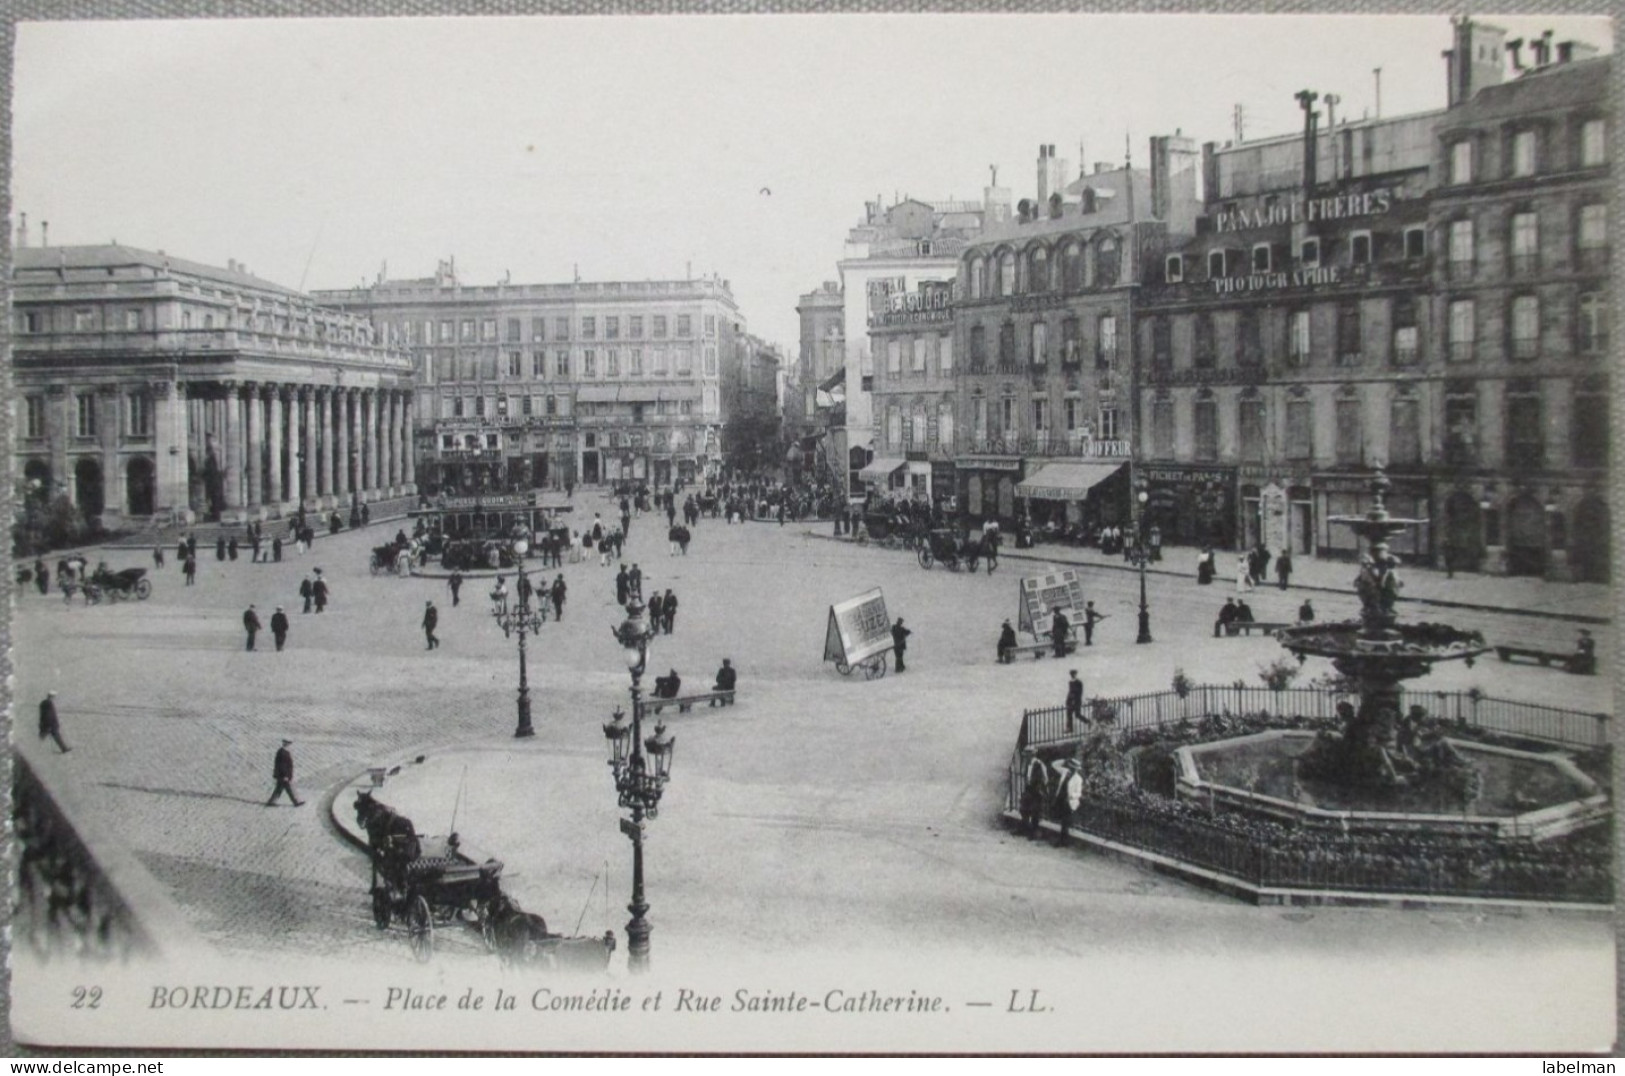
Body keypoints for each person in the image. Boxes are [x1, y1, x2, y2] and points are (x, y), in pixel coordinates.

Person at [1051, 759, 1083, 846]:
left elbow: (1079, 793)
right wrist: (1064, 760)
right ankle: (1063, 840)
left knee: (1065, 822)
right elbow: (1054, 764)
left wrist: (1071, 796)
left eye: (1074, 769)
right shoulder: (1065, 772)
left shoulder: (1078, 779)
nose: (1072, 770)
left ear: (1076, 770)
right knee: (1061, 820)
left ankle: (1063, 841)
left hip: (1069, 801)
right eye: (1071, 767)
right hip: (1061, 798)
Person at [266, 739, 304, 807]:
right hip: (283, 775)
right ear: (286, 744)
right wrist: (285, 775)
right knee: (289, 788)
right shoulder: (283, 752)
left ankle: (271, 802)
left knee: (279, 789)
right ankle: (296, 802)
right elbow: (282, 765)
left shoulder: (283, 751)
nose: (289, 745)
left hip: (282, 775)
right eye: (288, 744)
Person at [1019, 756, 1048, 839]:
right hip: (1029, 788)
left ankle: (1034, 833)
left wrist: (1040, 789)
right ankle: (1026, 828)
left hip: (1036, 790)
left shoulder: (1039, 764)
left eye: (1028, 754)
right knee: (1023, 809)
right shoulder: (1029, 764)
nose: (1026, 757)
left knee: (1035, 811)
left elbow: (1044, 779)